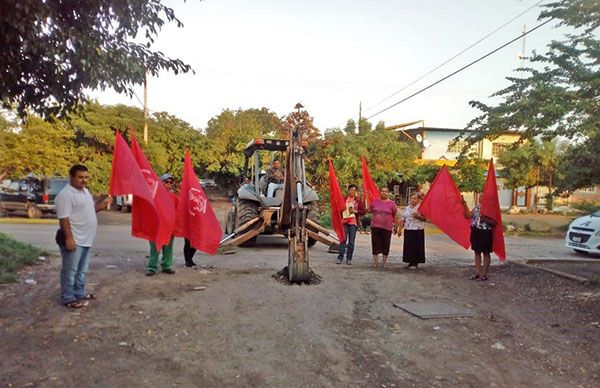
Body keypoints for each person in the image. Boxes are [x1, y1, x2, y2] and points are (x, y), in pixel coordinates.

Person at [55, 164, 111, 308]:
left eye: (86, 177)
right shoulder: (65, 195)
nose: (84, 180)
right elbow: (64, 219)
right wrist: (69, 238)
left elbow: (91, 210)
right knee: (70, 270)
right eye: (80, 177)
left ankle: (79, 292)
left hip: (86, 239)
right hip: (75, 240)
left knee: (82, 270)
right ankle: (67, 297)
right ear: (71, 177)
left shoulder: (85, 192)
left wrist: (103, 205)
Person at [146, 173, 178, 276]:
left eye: (170, 182)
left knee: (168, 249)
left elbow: (178, 211)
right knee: (155, 248)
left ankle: (166, 266)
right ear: (160, 183)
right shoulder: (153, 195)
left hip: (169, 228)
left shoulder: (174, 197)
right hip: (156, 228)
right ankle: (152, 267)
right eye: (166, 182)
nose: (168, 184)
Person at [462, 195, 497, 281]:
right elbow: (467, 215)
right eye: (480, 196)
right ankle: (477, 273)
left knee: (486, 253)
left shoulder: (491, 208)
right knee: (477, 252)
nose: (480, 197)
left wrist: (484, 218)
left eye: (482, 196)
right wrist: (464, 203)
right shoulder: (477, 207)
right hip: (475, 231)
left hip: (485, 232)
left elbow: (494, 222)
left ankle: (484, 275)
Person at [369, 187, 398, 270]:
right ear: (380, 192)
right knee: (375, 245)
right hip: (375, 227)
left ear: (388, 193)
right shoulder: (375, 202)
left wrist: (396, 226)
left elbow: (395, 215)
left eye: (386, 191)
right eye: (382, 191)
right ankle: (375, 263)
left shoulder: (392, 204)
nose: (384, 193)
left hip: (387, 228)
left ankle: (384, 263)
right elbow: (369, 210)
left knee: (386, 245)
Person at [337, 184, 365, 265]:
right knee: (343, 240)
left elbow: (363, 211)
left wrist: (356, 211)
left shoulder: (358, 201)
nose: (352, 192)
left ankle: (349, 258)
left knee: (351, 242)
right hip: (344, 222)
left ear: (356, 192)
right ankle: (340, 257)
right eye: (351, 190)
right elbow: (338, 209)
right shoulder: (344, 199)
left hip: (353, 223)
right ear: (348, 191)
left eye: (354, 190)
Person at [398, 193, 426, 269]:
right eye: (411, 198)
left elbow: (425, 219)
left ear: (419, 199)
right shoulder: (407, 208)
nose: (412, 200)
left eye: (415, 198)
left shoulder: (421, 207)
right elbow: (403, 219)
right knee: (408, 246)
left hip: (417, 230)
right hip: (408, 229)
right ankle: (410, 261)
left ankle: (415, 263)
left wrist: (418, 216)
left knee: (416, 247)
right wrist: (400, 229)